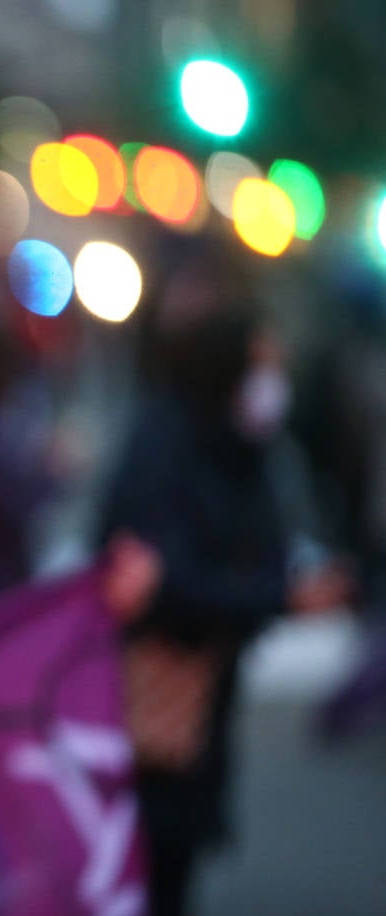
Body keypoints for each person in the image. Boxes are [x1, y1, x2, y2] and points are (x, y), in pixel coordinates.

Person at [99, 293, 352, 916]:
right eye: (260, 365)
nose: (272, 383)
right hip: (155, 697)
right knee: (155, 864)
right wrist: (283, 597)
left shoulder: (238, 444)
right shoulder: (165, 444)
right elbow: (158, 585)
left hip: (206, 694)